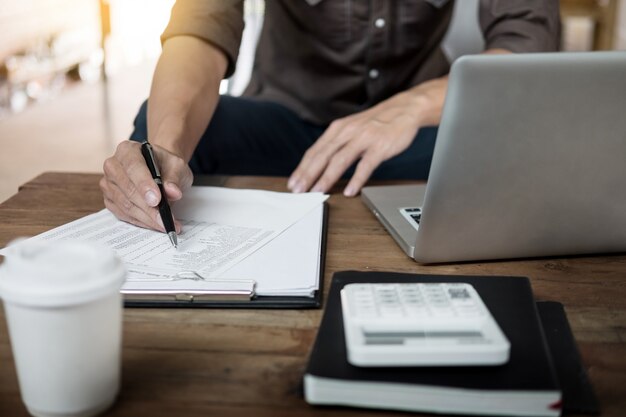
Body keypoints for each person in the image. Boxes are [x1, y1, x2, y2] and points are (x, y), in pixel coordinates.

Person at [100, 0, 560, 233]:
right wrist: (167, 144)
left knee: (524, 147)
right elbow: (202, 26)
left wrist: (414, 106)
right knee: (160, 133)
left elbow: (526, 46)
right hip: (282, 125)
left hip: (411, 139)